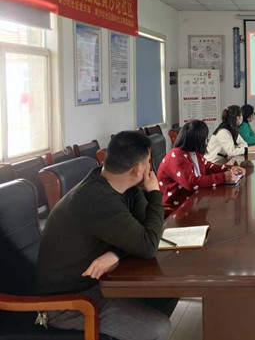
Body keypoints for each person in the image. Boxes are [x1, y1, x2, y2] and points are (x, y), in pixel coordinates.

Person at [34, 131, 177, 340]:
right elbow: (148, 245)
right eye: (148, 161)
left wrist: (116, 253)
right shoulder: (96, 197)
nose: (150, 166)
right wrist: (155, 193)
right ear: (138, 169)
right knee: (159, 328)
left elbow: (147, 231)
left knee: (168, 292)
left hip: (98, 282)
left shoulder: (123, 186)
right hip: (66, 304)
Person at [157, 120, 247, 211]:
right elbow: (191, 183)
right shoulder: (177, 156)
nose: (206, 141)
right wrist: (223, 177)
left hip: (194, 199)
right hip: (177, 207)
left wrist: (230, 168)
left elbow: (208, 167)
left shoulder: (193, 152)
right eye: (204, 138)